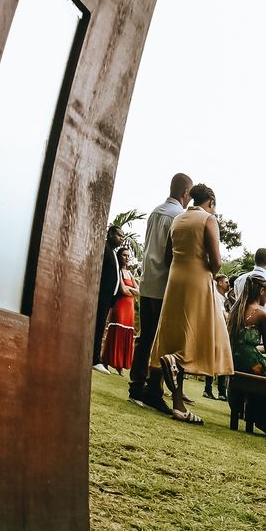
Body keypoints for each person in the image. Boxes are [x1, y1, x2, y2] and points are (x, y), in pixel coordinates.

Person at [149, 183, 231, 424]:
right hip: (197, 279)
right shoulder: (208, 220)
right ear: (211, 201)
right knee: (192, 335)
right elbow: (216, 262)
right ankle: (176, 364)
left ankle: (178, 404)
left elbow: (166, 257)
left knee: (176, 334)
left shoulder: (178, 220)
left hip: (175, 279)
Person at [129, 173, 190, 411]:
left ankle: (136, 386)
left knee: (145, 337)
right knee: (161, 340)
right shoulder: (178, 216)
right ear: (185, 194)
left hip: (147, 281)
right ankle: (154, 390)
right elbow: (171, 254)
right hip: (164, 283)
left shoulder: (155, 211)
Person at [227, 274, 266, 434]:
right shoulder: (262, 315)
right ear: (262, 291)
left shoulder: (235, 311)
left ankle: (242, 409)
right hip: (250, 365)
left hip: (232, 360)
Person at [98, 243, 138, 374]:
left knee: (127, 333)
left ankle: (120, 365)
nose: (126, 258)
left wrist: (131, 290)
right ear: (119, 256)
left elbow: (139, 290)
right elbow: (123, 289)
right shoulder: (118, 271)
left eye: (128, 256)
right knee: (117, 331)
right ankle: (108, 360)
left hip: (130, 307)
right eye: (124, 255)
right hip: (120, 306)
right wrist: (132, 290)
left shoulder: (130, 274)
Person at [232, 247, 266, 328]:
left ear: (255, 261)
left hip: (240, 329)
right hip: (264, 333)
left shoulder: (239, 280)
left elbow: (238, 303)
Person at [94, 227, 122, 371]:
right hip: (101, 296)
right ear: (110, 234)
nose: (121, 239)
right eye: (119, 235)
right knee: (98, 327)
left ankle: (95, 357)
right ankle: (95, 359)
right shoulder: (104, 249)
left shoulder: (112, 252)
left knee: (100, 326)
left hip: (108, 299)